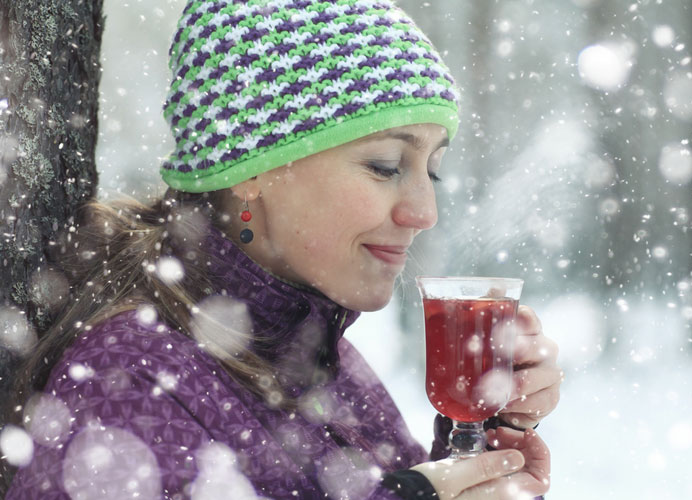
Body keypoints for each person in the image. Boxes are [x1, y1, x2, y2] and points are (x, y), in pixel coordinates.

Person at [2, 0, 561, 498]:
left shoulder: (316, 355)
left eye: (431, 171)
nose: (424, 212)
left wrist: (481, 441)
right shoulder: (127, 384)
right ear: (251, 170)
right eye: (385, 165)